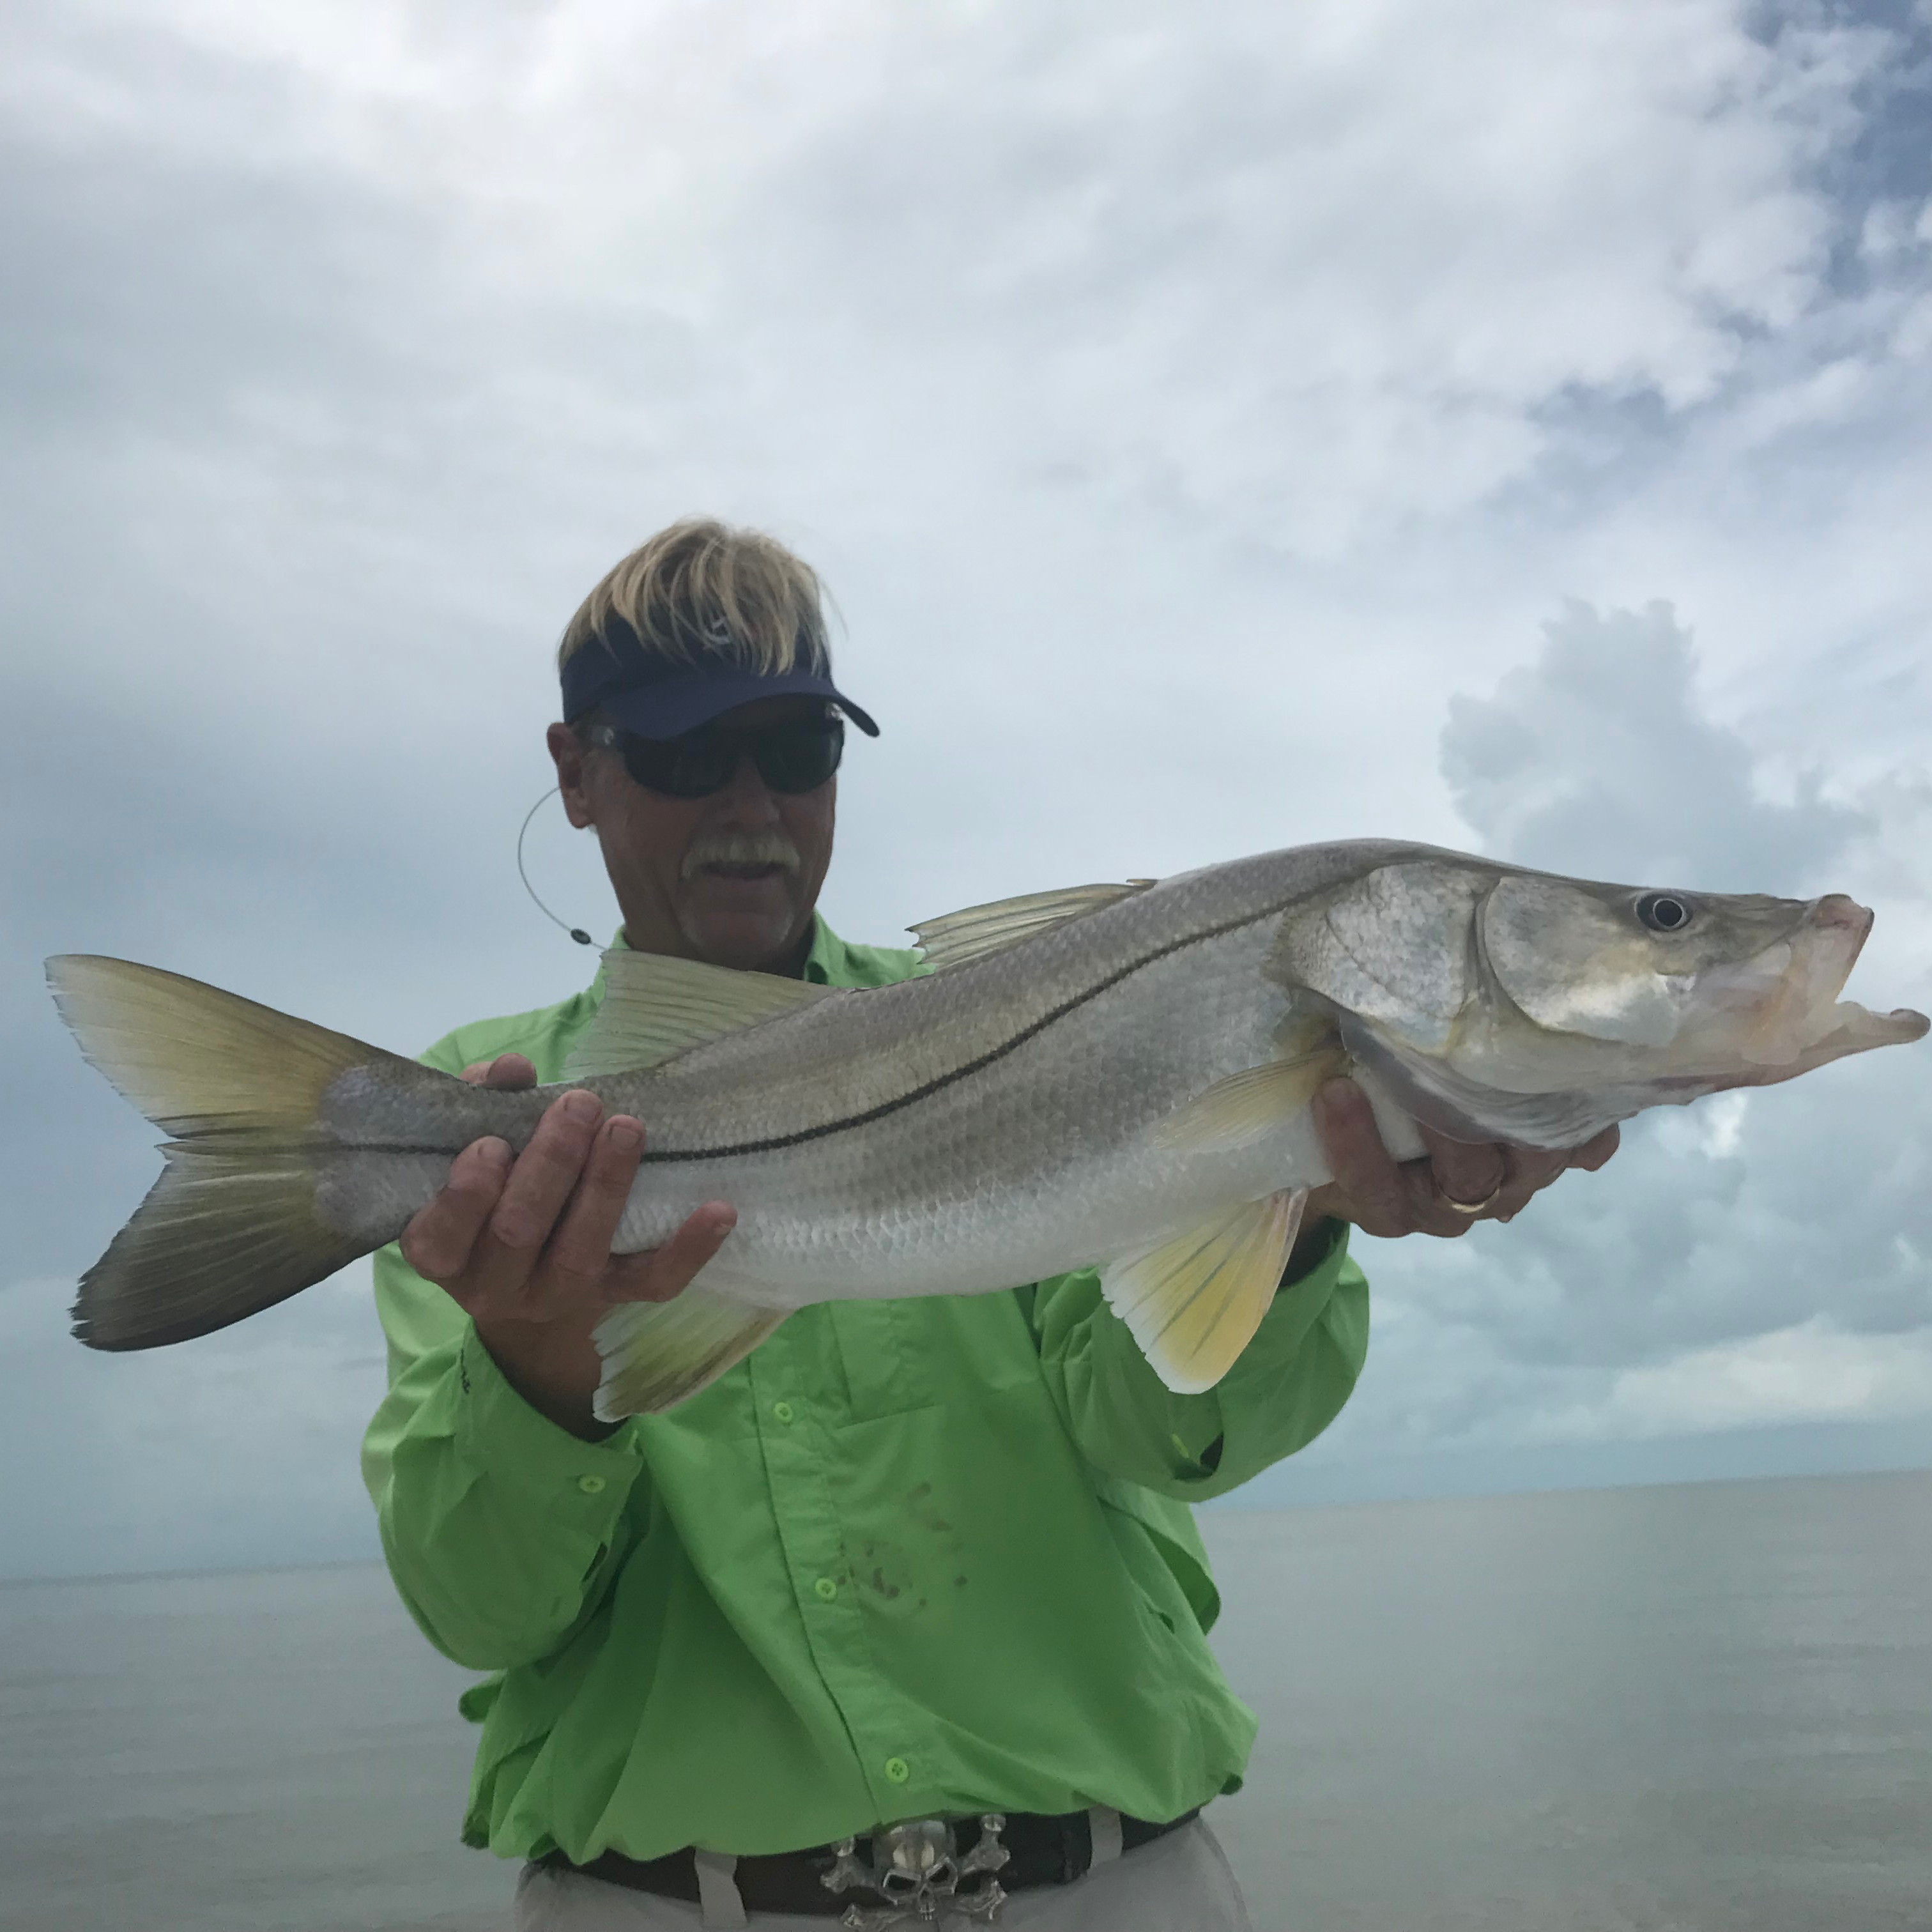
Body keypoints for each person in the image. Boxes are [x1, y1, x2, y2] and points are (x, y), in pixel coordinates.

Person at [362, 519, 1618, 1931]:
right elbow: (483, 1614)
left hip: (1115, 1883)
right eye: (680, 754)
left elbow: (1160, 1428)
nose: (750, 805)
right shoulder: (488, 1137)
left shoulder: (1039, 1013)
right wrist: (539, 1377)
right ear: (577, 773)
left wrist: (1304, 1211)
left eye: (797, 750)